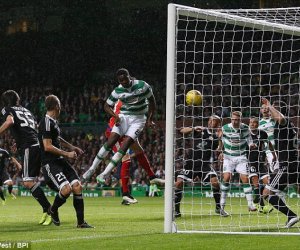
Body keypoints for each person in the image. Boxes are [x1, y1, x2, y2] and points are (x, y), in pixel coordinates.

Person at [82, 68, 158, 194]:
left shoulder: (142, 86)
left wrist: (150, 119)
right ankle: (92, 169)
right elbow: (106, 105)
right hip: (123, 118)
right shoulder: (118, 91)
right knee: (112, 143)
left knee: (126, 147)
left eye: (125, 79)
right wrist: (116, 116)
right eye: (121, 80)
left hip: (139, 120)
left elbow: (152, 101)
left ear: (130, 77)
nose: (123, 82)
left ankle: (105, 174)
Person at [39, 94, 93, 228]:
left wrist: (72, 147)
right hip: (50, 163)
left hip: (60, 161)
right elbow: (47, 146)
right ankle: (53, 209)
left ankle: (80, 222)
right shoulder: (45, 122)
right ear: (57, 106)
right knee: (66, 189)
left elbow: (57, 139)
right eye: (60, 105)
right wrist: (67, 153)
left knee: (77, 186)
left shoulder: (53, 122)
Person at [0, 90, 52, 225]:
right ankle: (48, 209)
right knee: (30, 180)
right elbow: (32, 128)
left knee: (28, 182)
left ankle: (49, 209)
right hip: (36, 144)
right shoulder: (26, 110)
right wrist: (18, 143)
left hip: (30, 146)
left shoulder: (7, 109)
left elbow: (10, 121)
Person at [98, 100, 164, 205]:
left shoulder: (132, 99)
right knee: (126, 158)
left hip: (126, 129)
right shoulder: (127, 99)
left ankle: (152, 177)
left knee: (139, 151)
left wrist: (149, 119)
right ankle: (125, 194)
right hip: (116, 130)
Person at [175, 115, 229, 217]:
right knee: (178, 183)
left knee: (215, 182)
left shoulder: (216, 136)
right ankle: (176, 210)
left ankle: (218, 208)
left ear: (218, 124)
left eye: (214, 121)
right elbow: (181, 131)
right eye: (210, 120)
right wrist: (193, 128)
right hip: (191, 163)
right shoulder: (199, 130)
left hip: (205, 164)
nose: (211, 122)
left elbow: (218, 149)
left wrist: (220, 139)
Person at [261, 98, 299, 228]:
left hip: (286, 165)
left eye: (273, 109)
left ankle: (291, 216)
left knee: (266, 193)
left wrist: (270, 105)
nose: (269, 111)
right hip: (293, 162)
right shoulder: (291, 125)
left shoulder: (283, 122)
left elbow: (281, 118)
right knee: (287, 190)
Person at [219, 111, 257, 213]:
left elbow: (249, 139)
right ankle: (221, 205)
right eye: (233, 119)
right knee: (226, 177)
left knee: (245, 178)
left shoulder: (245, 128)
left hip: (241, 156)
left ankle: (250, 204)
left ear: (240, 119)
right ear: (231, 119)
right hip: (228, 156)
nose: (235, 121)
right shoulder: (225, 128)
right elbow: (221, 140)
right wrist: (220, 151)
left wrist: (251, 145)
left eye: (237, 119)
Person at [248, 117, 274, 213]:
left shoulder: (262, 133)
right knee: (256, 184)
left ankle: (256, 199)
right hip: (250, 162)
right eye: (251, 122)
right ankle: (262, 207)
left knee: (267, 183)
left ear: (258, 124)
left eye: (254, 122)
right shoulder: (246, 134)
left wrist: (274, 154)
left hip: (261, 162)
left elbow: (269, 143)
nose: (252, 124)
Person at [259, 104, 279, 172]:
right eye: (263, 108)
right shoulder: (258, 124)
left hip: (279, 148)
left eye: (266, 108)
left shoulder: (275, 121)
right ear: (261, 110)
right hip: (268, 150)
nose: (264, 109)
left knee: (279, 168)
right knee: (276, 169)